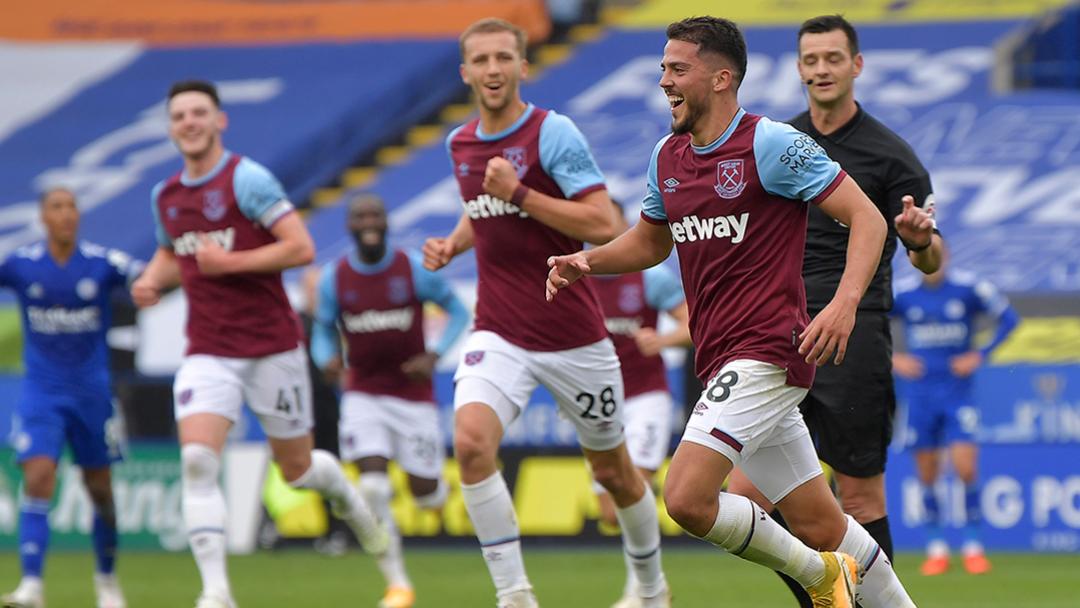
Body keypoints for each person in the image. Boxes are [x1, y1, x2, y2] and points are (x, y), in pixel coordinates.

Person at [546, 16, 918, 608]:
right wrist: (587, 262)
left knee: (688, 498)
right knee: (824, 525)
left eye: (677, 68)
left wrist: (845, 304)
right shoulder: (667, 156)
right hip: (720, 358)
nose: (663, 79)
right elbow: (650, 243)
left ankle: (822, 576)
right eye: (663, 67)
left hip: (767, 352)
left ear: (721, 78)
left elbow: (868, 218)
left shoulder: (768, 142)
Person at [423, 18, 670, 608]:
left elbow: (604, 224)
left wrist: (520, 194)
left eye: (503, 57)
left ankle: (651, 589)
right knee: (472, 444)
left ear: (523, 66)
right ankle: (515, 596)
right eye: (480, 59)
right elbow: (480, 208)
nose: (491, 69)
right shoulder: (460, 143)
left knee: (614, 475)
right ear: (465, 72)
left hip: (573, 336)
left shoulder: (551, 133)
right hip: (499, 331)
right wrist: (454, 243)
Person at [130, 80, 386, 608]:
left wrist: (231, 264)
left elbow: (300, 247)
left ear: (220, 121)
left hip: (272, 349)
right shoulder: (167, 197)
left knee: (298, 470)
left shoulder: (246, 180)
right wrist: (151, 281)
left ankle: (340, 489)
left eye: (200, 113)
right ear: (170, 127)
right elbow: (173, 255)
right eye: (179, 115)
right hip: (207, 351)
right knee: (198, 460)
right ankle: (217, 593)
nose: (189, 122)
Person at [726, 13, 942, 607]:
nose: (821, 68)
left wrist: (920, 238)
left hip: (855, 332)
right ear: (798, 68)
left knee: (861, 497)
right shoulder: (777, 143)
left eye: (833, 58)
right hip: (781, 332)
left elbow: (932, 261)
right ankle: (827, 595)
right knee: (744, 500)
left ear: (856, 66)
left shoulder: (890, 155)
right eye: (811, 59)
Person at [310, 193, 471, 608]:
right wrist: (325, 358)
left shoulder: (411, 269)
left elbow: (457, 311)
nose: (368, 221)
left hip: (412, 398)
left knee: (426, 496)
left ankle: (435, 490)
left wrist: (436, 354)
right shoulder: (336, 278)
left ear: (386, 222)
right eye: (360, 215)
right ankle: (398, 584)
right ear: (349, 225)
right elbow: (322, 329)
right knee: (374, 487)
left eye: (375, 215)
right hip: (362, 393)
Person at [1, 188, 136, 608]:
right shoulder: (22, 265)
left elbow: (149, 275)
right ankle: (32, 587)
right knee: (39, 475)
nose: (65, 214)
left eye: (71, 206)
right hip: (42, 391)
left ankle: (107, 580)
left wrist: (157, 282)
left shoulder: (101, 263)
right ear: (43, 217)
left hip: (92, 393)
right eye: (56, 207)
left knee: (100, 489)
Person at [892, 249, 1019, 576]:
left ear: (944, 255)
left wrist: (981, 354)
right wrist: (894, 358)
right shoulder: (903, 293)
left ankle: (973, 547)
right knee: (928, 473)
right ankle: (936, 549)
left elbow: (1008, 319)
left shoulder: (969, 289)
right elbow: (869, 321)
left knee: (965, 468)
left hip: (957, 395)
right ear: (912, 257)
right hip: (920, 397)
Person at [591, 202, 690, 608]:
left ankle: (643, 589)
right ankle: (651, 585)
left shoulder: (649, 276)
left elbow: (695, 324)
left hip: (646, 396)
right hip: (598, 402)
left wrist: (662, 341)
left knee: (637, 484)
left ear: (621, 223)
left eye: (608, 216)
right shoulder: (577, 275)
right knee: (611, 513)